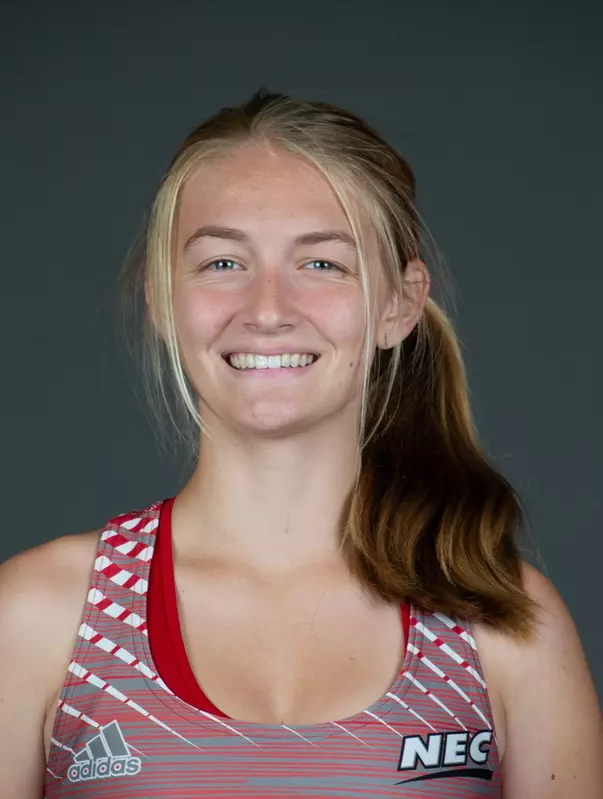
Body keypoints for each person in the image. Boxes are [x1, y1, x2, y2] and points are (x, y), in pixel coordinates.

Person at [1, 90, 601, 799]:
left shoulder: (501, 624)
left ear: (397, 304)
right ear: (162, 298)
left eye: (321, 265)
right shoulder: (39, 618)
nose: (266, 310)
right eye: (223, 262)